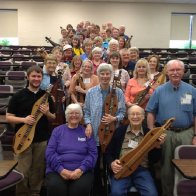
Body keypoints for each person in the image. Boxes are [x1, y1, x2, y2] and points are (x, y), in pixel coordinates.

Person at [146, 59, 196, 196]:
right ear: (167, 72)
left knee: (186, 167)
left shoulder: (192, 90)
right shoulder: (159, 91)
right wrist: (152, 133)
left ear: (183, 71)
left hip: (187, 133)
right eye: (172, 70)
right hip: (165, 134)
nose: (175, 73)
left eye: (178, 70)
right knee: (166, 168)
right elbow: (150, 112)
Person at [6, 65, 55, 196]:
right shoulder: (18, 96)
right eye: (33, 76)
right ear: (28, 77)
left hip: (41, 139)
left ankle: (35, 193)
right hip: (22, 139)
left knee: (38, 170)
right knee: (22, 170)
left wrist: (48, 113)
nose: (36, 79)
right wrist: (24, 120)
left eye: (39, 76)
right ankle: (22, 194)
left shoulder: (46, 96)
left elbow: (53, 118)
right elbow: (9, 117)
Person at [83, 63, 126, 195]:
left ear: (111, 76)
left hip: (111, 136)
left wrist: (114, 118)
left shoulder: (118, 92)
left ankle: (111, 189)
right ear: (98, 75)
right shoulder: (91, 92)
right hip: (95, 134)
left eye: (108, 73)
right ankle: (96, 190)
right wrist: (88, 123)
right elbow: (86, 111)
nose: (105, 76)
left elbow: (123, 112)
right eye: (102, 73)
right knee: (95, 166)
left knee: (111, 163)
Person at [105, 105, 165, 196]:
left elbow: (155, 159)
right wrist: (111, 164)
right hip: (122, 169)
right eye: (132, 114)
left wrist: (157, 146)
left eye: (138, 114)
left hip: (142, 170)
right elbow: (108, 152)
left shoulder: (149, 133)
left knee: (152, 194)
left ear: (143, 117)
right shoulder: (120, 131)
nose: (135, 117)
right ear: (128, 117)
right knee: (116, 193)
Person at [45, 103, 97, 196]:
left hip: (82, 171)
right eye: (71, 113)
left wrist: (81, 169)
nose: (74, 115)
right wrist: (61, 170)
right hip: (57, 170)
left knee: (79, 189)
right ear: (66, 116)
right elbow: (50, 153)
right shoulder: (57, 131)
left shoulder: (87, 132)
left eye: (77, 113)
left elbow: (93, 154)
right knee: (56, 187)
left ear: (81, 116)